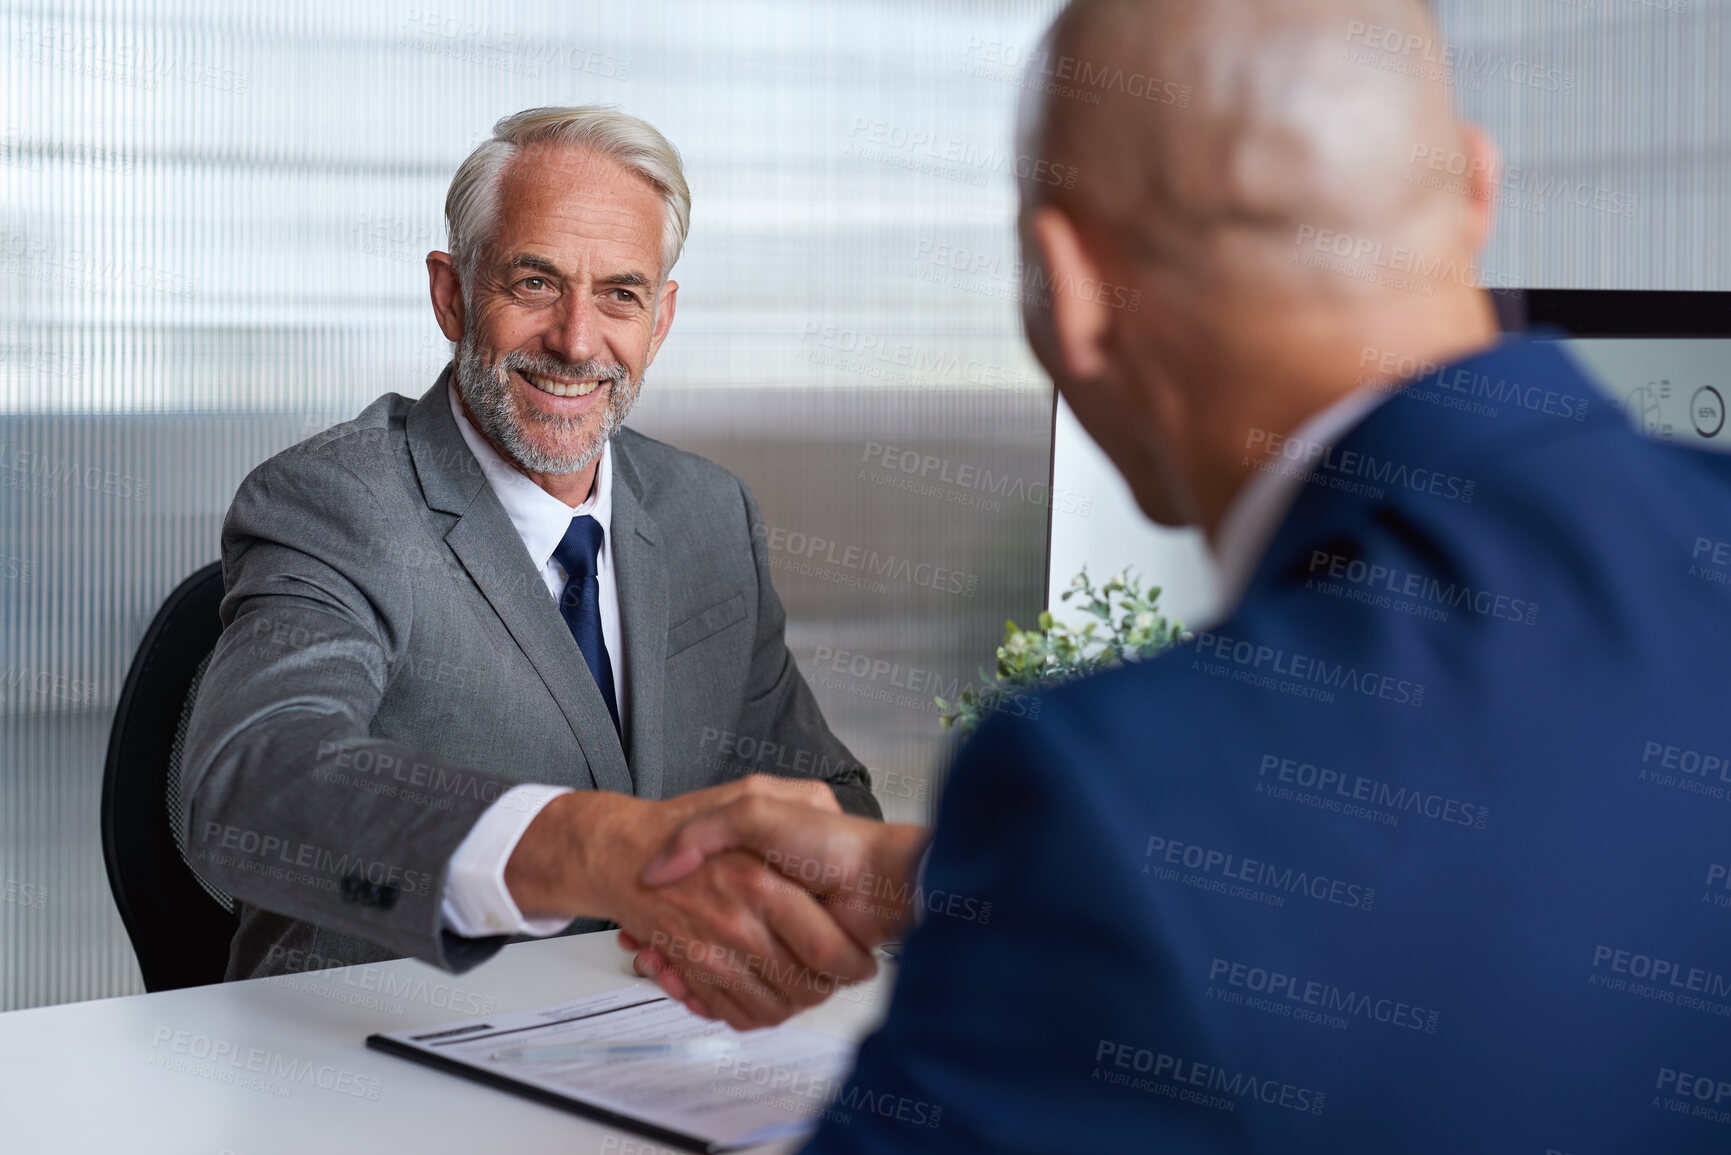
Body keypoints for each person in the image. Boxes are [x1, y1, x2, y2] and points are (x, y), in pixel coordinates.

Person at [631, 0, 1731, 1149]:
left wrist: (1067, 873)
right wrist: (963, 884)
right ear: (1474, 192)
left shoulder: (1112, 793)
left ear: (1074, 290)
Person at [181, 106, 881, 1030]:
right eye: (536, 281)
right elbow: (251, 779)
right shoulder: (331, 501)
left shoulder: (709, 512)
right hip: (376, 1061)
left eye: (621, 294)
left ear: (660, 318)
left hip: (668, 1045)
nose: (578, 340)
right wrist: (593, 847)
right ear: (452, 296)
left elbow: (822, 792)